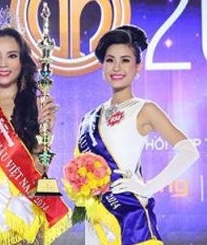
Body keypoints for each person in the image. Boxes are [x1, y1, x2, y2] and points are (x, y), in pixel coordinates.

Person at [73, 25, 199, 245]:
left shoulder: (144, 109)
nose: (117, 67)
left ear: (137, 66)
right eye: (110, 60)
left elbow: (189, 151)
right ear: (103, 67)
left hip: (130, 216)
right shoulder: (89, 117)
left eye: (125, 60)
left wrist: (147, 188)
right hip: (97, 218)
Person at [0, 14, 69, 244]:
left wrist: (47, 130)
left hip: (26, 215)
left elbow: (39, 170)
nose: (3, 64)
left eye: (12, 56)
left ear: (22, 61)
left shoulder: (36, 106)